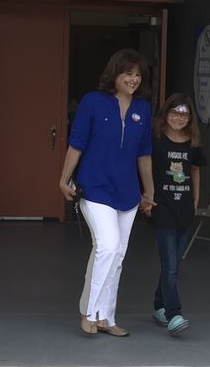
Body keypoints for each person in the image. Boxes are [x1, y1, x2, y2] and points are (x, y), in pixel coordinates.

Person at [58, 48, 155, 337]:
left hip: (128, 192)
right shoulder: (93, 102)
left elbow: (145, 154)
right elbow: (77, 144)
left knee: (117, 255)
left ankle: (107, 316)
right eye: (128, 73)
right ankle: (89, 313)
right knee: (108, 246)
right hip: (95, 186)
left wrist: (148, 191)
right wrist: (63, 179)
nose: (134, 79)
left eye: (138, 74)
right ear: (114, 74)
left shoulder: (143, 109)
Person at [143, 93, 206, 336]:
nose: (179, 118)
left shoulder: (193, 142)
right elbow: (143, 167)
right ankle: (174, 314)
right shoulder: (155, 140)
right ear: (165, 114)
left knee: (174, 263)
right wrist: (145, 197)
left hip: (184, 209)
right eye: (174, 113)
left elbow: (195, 170)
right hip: (162, 209)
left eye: (184, 114)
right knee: (170, 265)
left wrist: (196, 199)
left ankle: (159, 305)